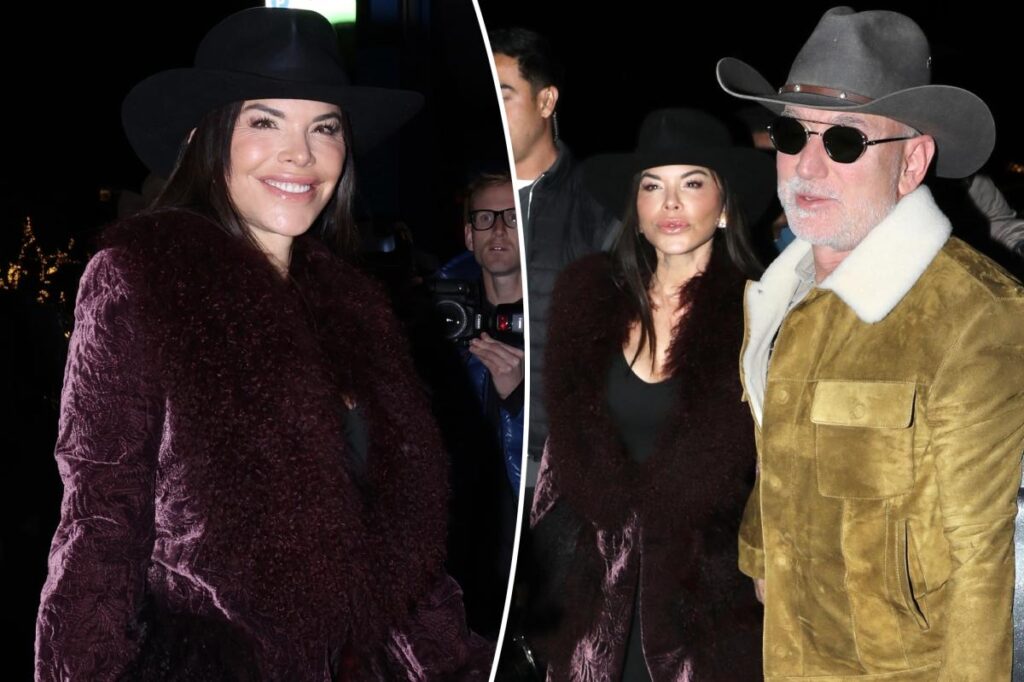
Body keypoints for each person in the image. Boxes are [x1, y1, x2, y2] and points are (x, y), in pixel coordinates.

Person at [35, 8, 490, 680]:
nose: (300, 154)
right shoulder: (143, 279)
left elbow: (406, 551)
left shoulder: (356, 309)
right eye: (265, 121)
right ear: (205, 138)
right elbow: (99, 522)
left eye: (325, 127)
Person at [717, 6, 1024, 679]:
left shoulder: (974, 315)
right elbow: (778, 455)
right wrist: (762, 557)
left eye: (846, 142)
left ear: (912, 162)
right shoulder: (778, 293)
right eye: (792, 134)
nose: (807, 165)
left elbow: (985, 564)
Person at [528, 108, 774, 680]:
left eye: (692, 183)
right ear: (635, 209)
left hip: (707, 603)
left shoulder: (761, 313)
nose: (670, 204)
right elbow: (560, 460)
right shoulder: (587, 298)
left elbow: (776, 466)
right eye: (652, 186)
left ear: (725, 204)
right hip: (593, 594)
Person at [489, 28, 618, 484]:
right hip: (478, 457)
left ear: (545, 102)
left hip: (562, 467)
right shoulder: (473, 198)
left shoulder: (600, 208)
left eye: (504, 94)